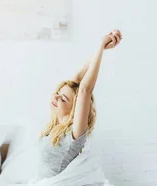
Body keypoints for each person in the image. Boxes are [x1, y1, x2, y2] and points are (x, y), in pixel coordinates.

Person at [30, 29, 122, 180]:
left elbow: (85, 89)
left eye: (64, 99)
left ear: (75, 109)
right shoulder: (55, 125)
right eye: (58, 92)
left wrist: (101, 45)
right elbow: (76, 81)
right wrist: (102, 50)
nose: (57, 97)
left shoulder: (73, 135)